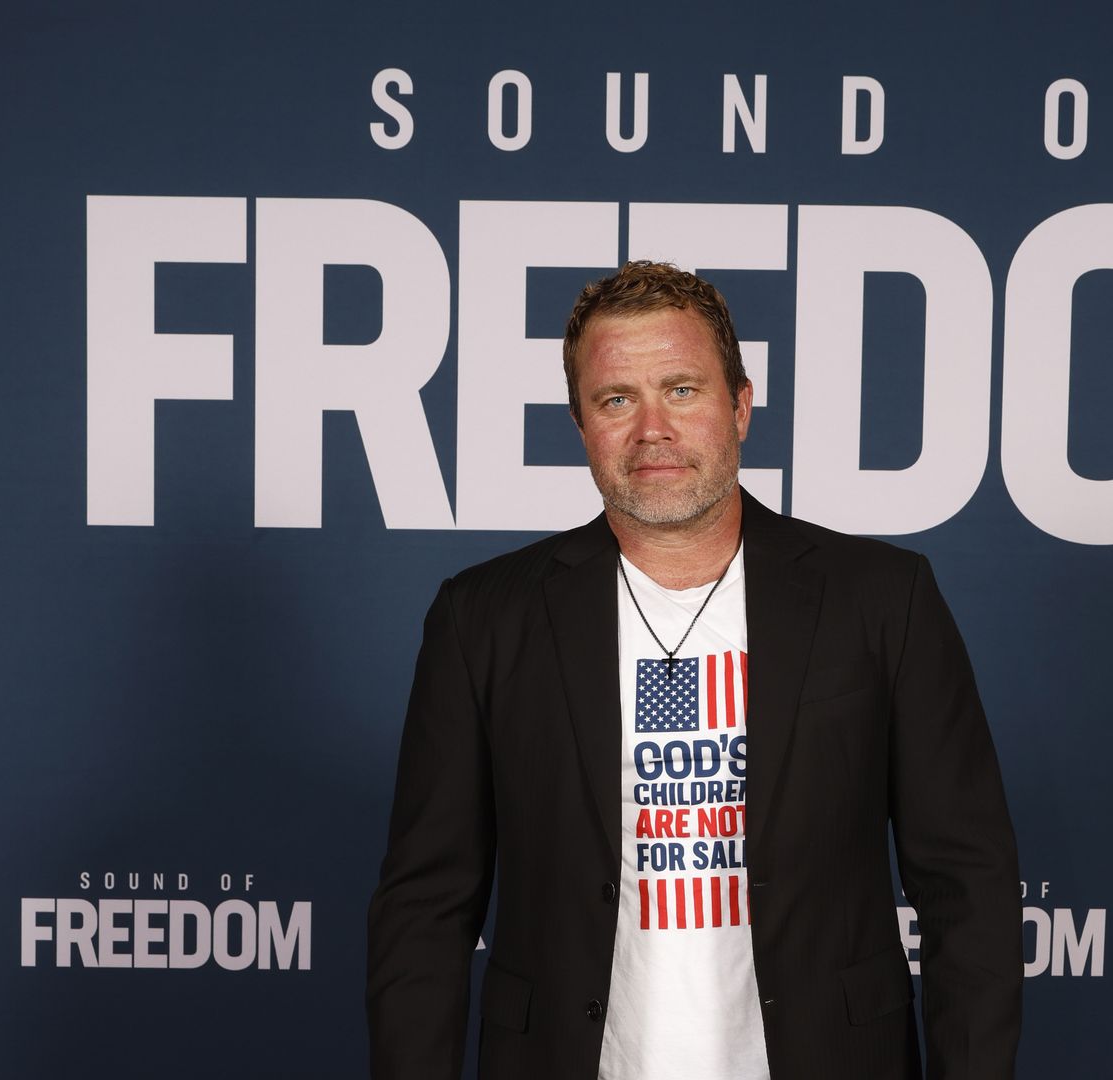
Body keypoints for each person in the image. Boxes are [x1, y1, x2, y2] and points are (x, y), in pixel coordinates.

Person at [367, 262, 1021, 1080]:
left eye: (681, 389)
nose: (652, 430)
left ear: (740, 406)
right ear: (581, 423)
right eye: (616, 399)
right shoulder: (483, 618)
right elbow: (424, 911)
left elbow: (969, 887)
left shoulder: (882, 601)